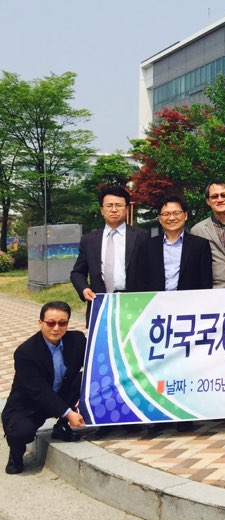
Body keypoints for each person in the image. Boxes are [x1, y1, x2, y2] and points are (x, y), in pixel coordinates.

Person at [3, 301, 86, 474]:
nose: (56, 328)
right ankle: (16, 455)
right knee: (21, 432)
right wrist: (70, 413)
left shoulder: (77, 340)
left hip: (61, 393)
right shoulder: (25, 352)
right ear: (40, 323)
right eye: (50, 323)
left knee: (86, 378)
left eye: (62, 323)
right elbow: (39, 391)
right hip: (30, 404)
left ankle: (61, 427)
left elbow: (95, 359)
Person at [70, 184, 148, 324]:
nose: (114, 209)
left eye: (118, 205)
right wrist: (84, 289)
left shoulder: (142, 236)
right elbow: (77, 272)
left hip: (134, 306)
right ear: (102, 210)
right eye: (109, 205)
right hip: (100, 305)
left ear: (126, 209)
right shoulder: (89, 240)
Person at [134, 196, 213, 292]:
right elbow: (141, 281)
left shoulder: (200, 245)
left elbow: (205, 282)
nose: (171, 218)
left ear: (185, 216)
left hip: (189, 300)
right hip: (156, 300)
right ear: (159, 219)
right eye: (166, 214)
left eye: (176, 213)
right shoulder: (148, 246)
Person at [190, 181, 225, 289]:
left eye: (224, 195)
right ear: (208, 201)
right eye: (214, 196)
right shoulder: (197, 230)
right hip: (214, 291)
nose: (220, 199)